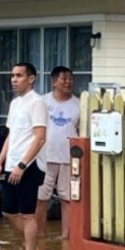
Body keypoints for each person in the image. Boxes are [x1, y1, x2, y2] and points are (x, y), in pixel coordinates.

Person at [0, 62, 47, 250]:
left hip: (29, 166)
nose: (14, 79)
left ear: (31, 79)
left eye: (19, 75)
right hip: (10, 164)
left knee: (27, 214)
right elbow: (11, 135)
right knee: (8, 211)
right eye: (13, 75)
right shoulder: (15, 103)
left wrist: (22, 165)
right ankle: (31, 247)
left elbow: (40, 137)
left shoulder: (37, 102)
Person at [37, 66, 79, 239]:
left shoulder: (79, 104)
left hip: (68, 159)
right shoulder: (43, 102)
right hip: (44, 157)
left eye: (70, 78)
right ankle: (40, 236)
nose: (68, 82)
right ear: (54, 81)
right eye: (63, 78)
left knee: (67, 198)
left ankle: (66, 238)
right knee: (41, 198)